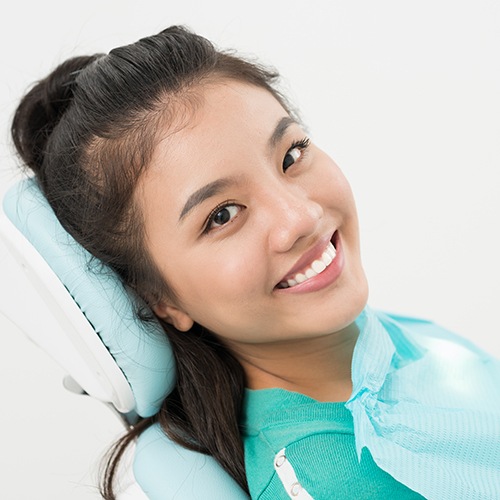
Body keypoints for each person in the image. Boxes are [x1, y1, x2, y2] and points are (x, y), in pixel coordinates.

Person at [11, 26, 500, 500]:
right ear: (158, 297)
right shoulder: (328, 474)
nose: (302, 216)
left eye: (291, 155)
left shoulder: (379, 342)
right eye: (222, 215)